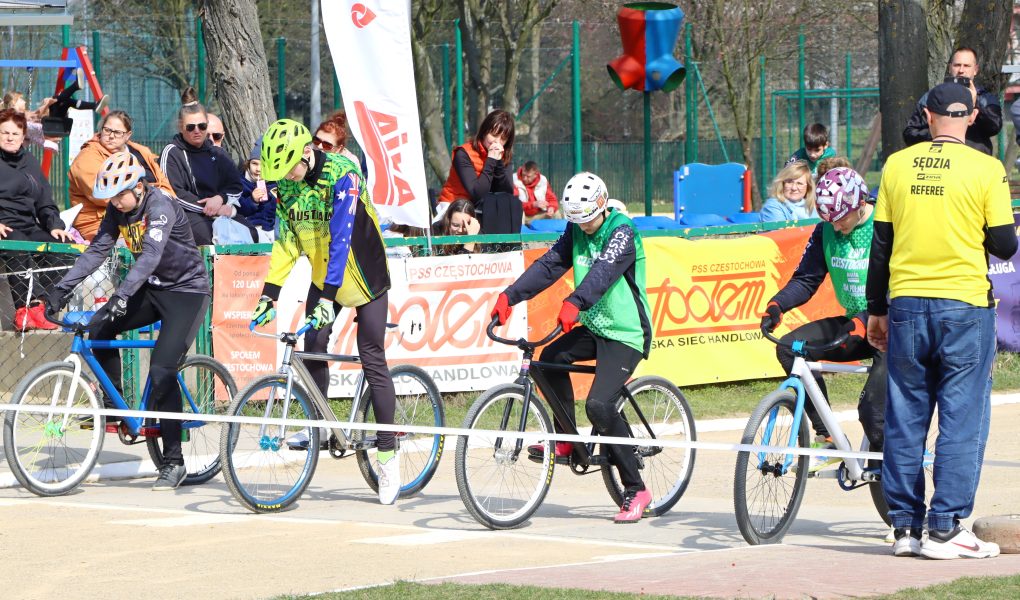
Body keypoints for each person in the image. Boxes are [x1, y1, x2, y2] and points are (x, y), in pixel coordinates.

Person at [866, 81, 1017, 559]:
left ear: (927, 116)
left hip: (907, 304)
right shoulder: (986, 168)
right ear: (972, 117)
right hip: (964, 306)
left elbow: (881, 245)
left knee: (905, 417)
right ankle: (946, 528)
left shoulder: (896, 164)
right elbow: (1006, 245)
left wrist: (876, 311)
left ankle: (906, 528)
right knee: (961, 418)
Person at [249, 119, 400, 505]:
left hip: (363, 275)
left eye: (290, 171)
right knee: (313, 343)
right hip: (323, 276)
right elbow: (285, 242)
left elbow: (343, 240)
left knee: (371, 355)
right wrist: (269, 294)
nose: (288, 180)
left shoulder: (342, 175)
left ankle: (387, 453)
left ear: (306, 153)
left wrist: (330, 301)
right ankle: (324, 426)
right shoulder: (286, 184)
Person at [490, 172, 654, 523]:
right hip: (594, 327)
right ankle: (567, 438)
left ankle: (636, 488)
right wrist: (510, 295)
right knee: (548, 361)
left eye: (587, 220)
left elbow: (603, 273)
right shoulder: (577, 229)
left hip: (626, 334)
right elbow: (550, 265)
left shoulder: (621, 231)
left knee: (598, 404)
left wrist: (575, 301)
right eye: (576, 222)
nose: (583, 227)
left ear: (601, 205)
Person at [42, 151, 210, 490]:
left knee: (162, 370)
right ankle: (115, 406)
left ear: (138, 187)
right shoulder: (116, 212)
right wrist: (61, 288)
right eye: (111, 197)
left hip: (187, 294)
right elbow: (96, 251)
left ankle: (174, 462)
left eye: (121, 195)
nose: (116, 203)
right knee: (98, 328)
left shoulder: (159, 206)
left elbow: (150, 256)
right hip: (152, 290)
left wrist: (121, 295)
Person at [760, 166, 886, 473]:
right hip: (855, 323)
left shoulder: (885, 226)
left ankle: (894, 473)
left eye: (840, 218)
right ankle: (827, 437)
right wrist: (778, 305)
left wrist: (872, 316)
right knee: (791, 348)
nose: (835, 226)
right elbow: (806, 279)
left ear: (859, 205)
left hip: (889, 327)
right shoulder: (827, 229)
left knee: (873, 411)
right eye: (828, 219)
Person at [0, 108, 73, 331]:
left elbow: (45, 201)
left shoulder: (30, 161)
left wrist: (54, 225)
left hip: (29, 225)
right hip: (4, 226)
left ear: (24, 136)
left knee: (64, 247)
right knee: (17, 243)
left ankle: (44, 308)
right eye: (4, 133)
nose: (10, 137)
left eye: (15, 133)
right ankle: (26, 309)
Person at [160, 88, 253, 245]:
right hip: (187, 214)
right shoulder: (172, 153)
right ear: (181, 127)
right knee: (210, 237)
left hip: (220, 210)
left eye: (202, 126)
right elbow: (173, 193)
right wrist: (209, 208)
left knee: (251, 234)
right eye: (190, 127)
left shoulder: (218, 153)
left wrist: (220, 199)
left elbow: (235, 186)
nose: (197, 131)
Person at [69, 110, 173, 241]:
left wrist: (168, 204)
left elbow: (163, 183)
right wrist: (148, 200)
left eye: (117, 132)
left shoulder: (141, 151)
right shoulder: (87, 157)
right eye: (107, 130)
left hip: (147, 215)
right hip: (101, 222)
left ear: (128, 135)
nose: (111, 136)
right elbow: (105, 195)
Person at [902, 47, 1002, 155]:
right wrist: (939, 133)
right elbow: (910, 134)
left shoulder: (985, 99)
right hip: (940, 162)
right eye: (957, 65)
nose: (961, 70)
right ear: (950, 68)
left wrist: (975, 102)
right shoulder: (932, 97)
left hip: (973, 164)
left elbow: (994, 128)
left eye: (967, 66)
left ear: (975, 70)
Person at [437, 108, 515, 219]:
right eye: (493, 135)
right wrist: (491, 160)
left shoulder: (504, 156)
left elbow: (507, 194)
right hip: (454, 206)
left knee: (513, 210)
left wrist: (498, 164)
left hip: (482, 210)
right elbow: (477, 194)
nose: (497, 142)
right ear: (484, 132)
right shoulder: (463, 154)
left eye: (502, 138)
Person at [237, 139, 277, 243]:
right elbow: (238, 211)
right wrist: (252, 200)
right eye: (255, 163)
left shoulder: (275, 184)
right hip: (252, 229)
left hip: (273, 229)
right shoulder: (241, 184)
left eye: (263, 165)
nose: (258, 169)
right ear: (248, 164)